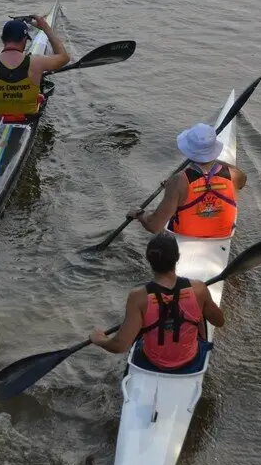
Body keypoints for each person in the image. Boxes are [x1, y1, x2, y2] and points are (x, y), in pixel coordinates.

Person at [90, 232, 225, 373]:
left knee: (138, 329)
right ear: (177, 257)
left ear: (149, 259)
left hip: (152, 363)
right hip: (191, 361)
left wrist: (100, 340)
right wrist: (202, 304)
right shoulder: (198, 289)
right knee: (199, 315)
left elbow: (120, 346)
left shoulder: (138, 297)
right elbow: (219, 321)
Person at [129, 123, 247, 238]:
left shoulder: (178, 181)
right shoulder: (234, 174)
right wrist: (214, 163)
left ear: (188, 149)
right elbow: (242, 182)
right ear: (214, 149)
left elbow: (155, 227)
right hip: (223, 236)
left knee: (155, 213)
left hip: (185, 236)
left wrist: (139, 214)